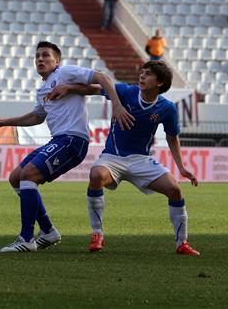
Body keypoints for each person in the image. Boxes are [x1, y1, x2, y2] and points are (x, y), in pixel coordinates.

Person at [0, 41, 133, 253]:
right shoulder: (43, 89)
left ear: (57, 61)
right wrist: (2, 122)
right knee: (16, 177)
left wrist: (116, 104)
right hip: (57, 140)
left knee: (29, 174)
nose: (40, 59)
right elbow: (36, 117)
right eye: (37, 56)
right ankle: (48, 231)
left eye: (45, 55)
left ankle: (26, 238)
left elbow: (102, 78)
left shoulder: (66, 73)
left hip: (73, 140)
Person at [49, 61, 201, 255]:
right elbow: (95, 89)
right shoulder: (126, 91)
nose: (142, 76)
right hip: (113, 157)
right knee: (96, 175)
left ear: (160, 82)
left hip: (141, 160)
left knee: (175, 189)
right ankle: (97, 234)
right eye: (142, 72)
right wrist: (68, 87)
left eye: (148, 74)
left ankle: (182, 243)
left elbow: (172, 136)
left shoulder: (167, 108)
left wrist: (181, 167)